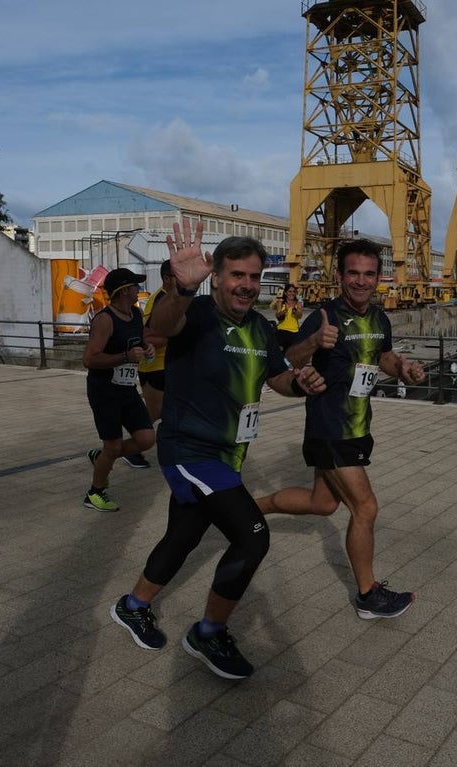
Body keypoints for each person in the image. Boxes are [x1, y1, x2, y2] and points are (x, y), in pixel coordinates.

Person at [110, 221, 325, 680]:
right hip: (189, 450)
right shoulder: (199, 312)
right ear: (217, 277)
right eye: (237, 276)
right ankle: (208, 633)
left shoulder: (262, 329)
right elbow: (163, 328)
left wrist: (301, 382)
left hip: (228, 456)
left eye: (254, 276)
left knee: (183, 536)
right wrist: (182, 290)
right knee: (252, 536)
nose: (247, 285)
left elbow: (278, 380)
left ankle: (133, 605)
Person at [257, 239, 426, 620]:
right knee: (365, 507)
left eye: (369, 274)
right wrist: (314, 342)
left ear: (378, 277)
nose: (361, 281)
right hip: (329, 426)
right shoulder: (324, 316)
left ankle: (248, 509)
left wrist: (402, 368)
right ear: (340, 276)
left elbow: (381, 356)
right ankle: (368, 595)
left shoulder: (379, 318)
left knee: (322, 503)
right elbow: (286, 360)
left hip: (357, 424)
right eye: (353, 273)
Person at [81, 268, 157, 511]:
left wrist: (148, 349)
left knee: (146, 438)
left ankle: (103, 457)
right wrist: (124, 356)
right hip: (104, 391)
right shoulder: (105, 320)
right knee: (112, 446)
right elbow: (90, 360)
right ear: (124, 291)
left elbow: (139, 340)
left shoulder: (135, 313)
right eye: (135, 285)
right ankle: (95, 492)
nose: (138, 289)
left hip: (126, 389)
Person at [138, 259, 177, 425]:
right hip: (155, 368)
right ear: (167, 278)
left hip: (169, 365)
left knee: (172, 412)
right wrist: (178, 338)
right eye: (179, 275)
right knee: (155, 414)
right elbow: (146, 337)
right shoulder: (160, 300)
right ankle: (129, 445)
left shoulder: (175, 299)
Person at [270, 284, 303, 351]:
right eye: (290, 291)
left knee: (292, 353)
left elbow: (299, 316)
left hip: (294, 331)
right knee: (280, 350)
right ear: (285, 293)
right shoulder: (281, 302)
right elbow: (277, 315)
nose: (292, 293)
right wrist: (285, 310)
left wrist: (294, 310)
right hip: (282, 330)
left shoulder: (298, 303)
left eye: (294, 291)